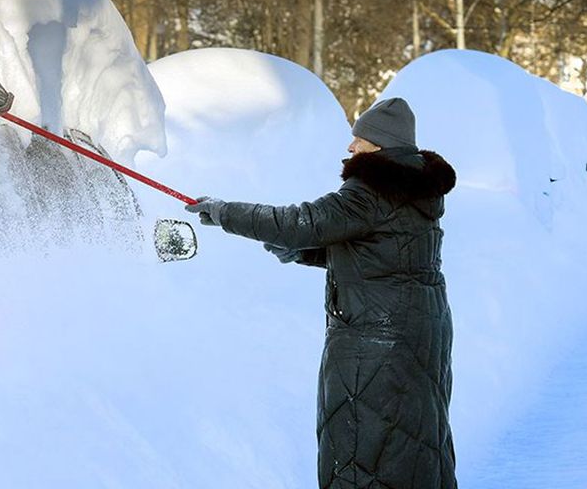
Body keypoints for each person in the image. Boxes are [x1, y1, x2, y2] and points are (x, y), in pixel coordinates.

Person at [186, 98, 458, 489]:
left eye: (359, 140)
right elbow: (381, 254)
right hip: (417, 331)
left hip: (375, 341)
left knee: (363, 449)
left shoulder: (372, 190)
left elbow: (301, 221)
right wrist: (304, 251)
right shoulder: (415, 191)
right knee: (413, 443)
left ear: (379, 146)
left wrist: (224, 211)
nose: (351, 148)